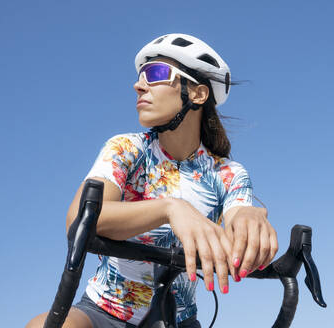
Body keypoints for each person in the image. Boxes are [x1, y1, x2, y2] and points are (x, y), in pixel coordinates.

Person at [26, 33, 278, 328]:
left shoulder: (228, 174)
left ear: (197, 94)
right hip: (103, 312)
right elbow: (78, 219)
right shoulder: (127, 148)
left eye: (155, 74)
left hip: (179, 319)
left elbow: (238, 217)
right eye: (139, 76)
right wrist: (170, 208)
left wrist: (249, 218)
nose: (138, 85)